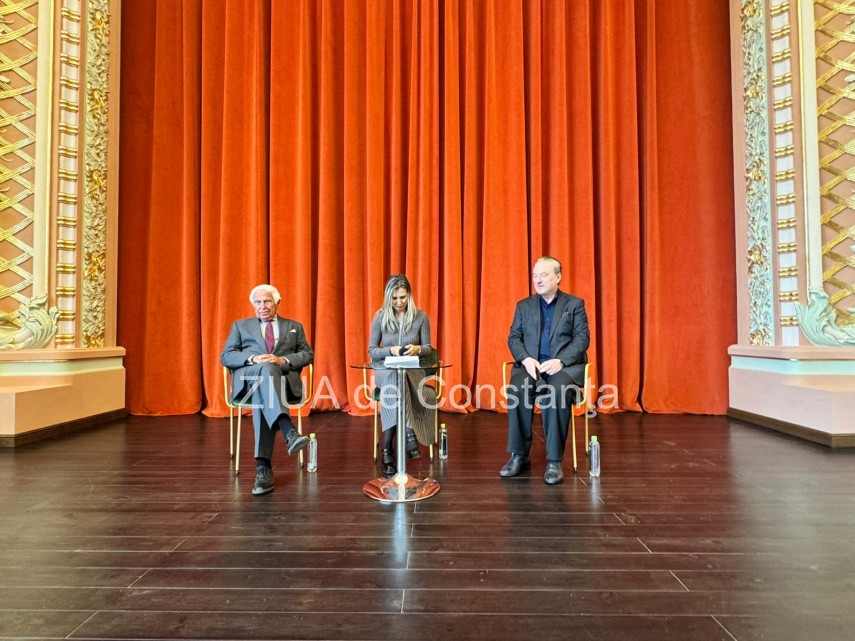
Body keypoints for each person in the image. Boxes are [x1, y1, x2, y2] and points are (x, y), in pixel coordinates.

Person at [500, 257, 590, 485]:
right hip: (531, 366)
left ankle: (553, 461)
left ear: (558, 277)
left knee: (557, 393)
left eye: (544, 275)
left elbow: (582, 339)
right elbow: (514, 338)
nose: (538, 280)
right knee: (518, 388)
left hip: (562, 367)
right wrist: (525, 359)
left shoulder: (574, 304)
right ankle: (519, 456)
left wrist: (560, 361)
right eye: (535, 275)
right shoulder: (524, 306)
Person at [221, 284, 314, 495]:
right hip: (248, 385)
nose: (262, 306)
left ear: (277, 303)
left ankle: (263, 468)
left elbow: (308, 354)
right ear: (253, 304)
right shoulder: (240, 326)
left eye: (267, 301)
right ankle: (288, 431)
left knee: (267, 390)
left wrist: (283, 359)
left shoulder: (294, 326)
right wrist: (252, 358)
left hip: (283, 386)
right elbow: (226, 356)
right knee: (264, 369)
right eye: (258, 302)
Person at [368, 274, 437, 475]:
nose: (399, 302)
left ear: (409, 296)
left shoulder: (421, 317)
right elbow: (372, 351)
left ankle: (387, 450)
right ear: (388, 297)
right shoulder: (380, 317)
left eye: (403, 297)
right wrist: (390, 350)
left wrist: (417, 349)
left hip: (412, 372)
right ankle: (409, 433)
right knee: (394, 380)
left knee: (396, 385)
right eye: (395, 298)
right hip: (385, 370)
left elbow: (428, 349)